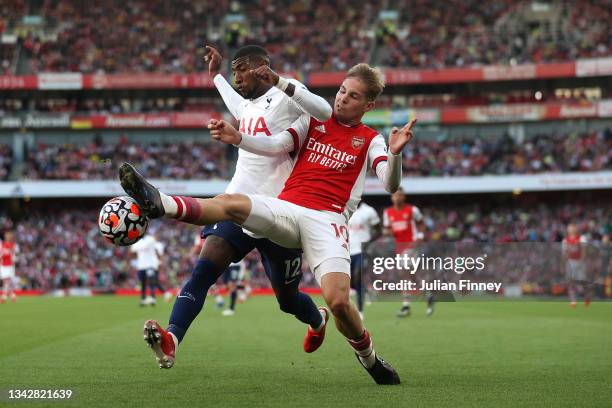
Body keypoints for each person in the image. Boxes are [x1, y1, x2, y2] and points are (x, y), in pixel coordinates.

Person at [120, 63, 416, 384]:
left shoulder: (370, 139)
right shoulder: (313, 121)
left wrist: (396, 153)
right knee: (233, 204)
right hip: (286, 209)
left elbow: (389, 183)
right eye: (342, 90)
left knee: (340, 302)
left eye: (353, 96)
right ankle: (162, 203)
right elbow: (276, 145)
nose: (343, 99)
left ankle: (369, 359)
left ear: (368, 105)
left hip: (327, 220)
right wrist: (239, 138)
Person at [139, 44, 333, 369]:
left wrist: (239, 137)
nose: (237, 76)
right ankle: (172, 339)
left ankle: (318, 321)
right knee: (202, 272)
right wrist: (215, 76)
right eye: (234, 70)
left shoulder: (288, 100)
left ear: (262, 67)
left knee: (287, 301)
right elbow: (235, 102)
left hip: (278, 215)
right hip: (237, 206)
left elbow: (293, 136)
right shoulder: (248, 108)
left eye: (242, 68)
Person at [382, 188, 433, 316]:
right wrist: (388, 232)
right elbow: (388, 229)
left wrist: (420, 235)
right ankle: (428, 295)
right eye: (395, 195)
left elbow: (421, 223)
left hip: (412, 244)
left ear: (404, 197)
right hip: (399, 247)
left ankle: (406, 306)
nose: (397, 197)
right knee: (412, 275)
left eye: (400, 195)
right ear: (391, 198)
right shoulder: (387, 212)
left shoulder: (412, 210)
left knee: (404, 274)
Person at [348, 201, 381, 319]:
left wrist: (369, 241)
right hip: (346, 250)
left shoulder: (369, 211)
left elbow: (379, 230)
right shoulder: (344, 207)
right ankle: (366, 291)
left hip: (362, 250)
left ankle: (360, 310)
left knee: (358, 276)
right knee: (351, 282)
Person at [130, 232, 165, 306]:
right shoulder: (136, 241)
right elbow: (132, 251)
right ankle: (143, 299)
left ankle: (152, 298)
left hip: (150, 264)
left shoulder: (150, 239)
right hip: (141, 265)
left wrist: (159, 261)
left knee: (152, 281)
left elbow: (156, 249)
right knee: (143, 283)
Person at [561, 223, 590, 308]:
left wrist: (582, 261)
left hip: (580, 262)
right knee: (570, 283)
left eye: (572, 228)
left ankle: (586, 297)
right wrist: (562, 265)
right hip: (570, 262)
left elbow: (584, 251)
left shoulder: (582, 238)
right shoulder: (565, 240)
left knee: (582, 282)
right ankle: (573, 301)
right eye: (569, 228)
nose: (570, 230)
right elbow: (563, 254)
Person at [0, 230, 18, 304]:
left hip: (10, 265)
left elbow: (14, 256)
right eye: (6, 235)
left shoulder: (13, 245)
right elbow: (1, 254)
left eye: (9, 235)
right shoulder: (2, 244)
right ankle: (13, 295)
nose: (7, 236)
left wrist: (13, 260)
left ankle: (3, 296)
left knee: (7, 281)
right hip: (3, 265)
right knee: (5, 281)